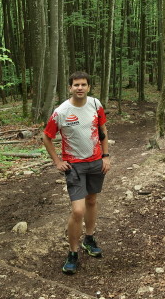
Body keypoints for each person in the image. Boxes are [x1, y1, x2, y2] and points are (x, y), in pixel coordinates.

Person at [42, 71, 111, 275]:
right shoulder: (61, 112)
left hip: (96, 162)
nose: (79, 88)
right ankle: (72, 252)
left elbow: (102, 130)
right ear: (70, 88)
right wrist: (57, 161)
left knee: (91, 201)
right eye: (76, 85)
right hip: (74, 166)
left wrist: (106, 156)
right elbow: (46, 137)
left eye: (83, 85)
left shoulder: (96, 104)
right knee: (78, 210)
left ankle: (89, 239)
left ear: (88, 87)